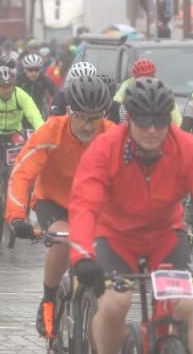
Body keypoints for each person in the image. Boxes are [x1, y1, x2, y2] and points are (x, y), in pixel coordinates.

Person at [69, 78, 193, 354]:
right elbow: (84, 205)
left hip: (165, 237)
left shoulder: (187, 148)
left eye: (160, 122)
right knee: (114, 305)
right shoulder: (104, 148)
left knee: (183, 307)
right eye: (143, 122)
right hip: (115, 237)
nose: (152, 130)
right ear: (129, 119)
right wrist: (82, 257)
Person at [7, 76, 116, 338]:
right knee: (62, 241)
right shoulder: (51, 131)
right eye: (83, 117)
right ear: (69, 112)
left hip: (93, 206)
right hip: (53, 201)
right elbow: (21, 173)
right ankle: (49, 299)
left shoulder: (112, 134)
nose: (90, 125)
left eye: (96, 117)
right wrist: (16, 217)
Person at [0, 66, 45, 215]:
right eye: (3, 86)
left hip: (14, 132)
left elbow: (35, 117)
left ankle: (17, 191)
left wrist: (44, 135)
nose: (6, 89)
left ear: (14, 84)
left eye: (9, 86)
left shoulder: (21, 96)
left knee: (20, 160)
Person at [113, 58, 183, 127]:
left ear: (154, 77)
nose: (146, 82)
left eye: (150, 77)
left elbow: (177, 123)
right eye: (142, 78)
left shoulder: (163, 92)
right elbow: (116, 103)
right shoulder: (127, 85)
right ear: (134, 79)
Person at [15, 53, 57, 120]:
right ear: (25, 69)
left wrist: (54, 111)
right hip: (21, 115)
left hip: (39, 114)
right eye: (30, 70)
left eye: (36, 70)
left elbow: (56, 95)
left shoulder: (44, 79)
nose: (34, 73)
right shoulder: (18, 80)